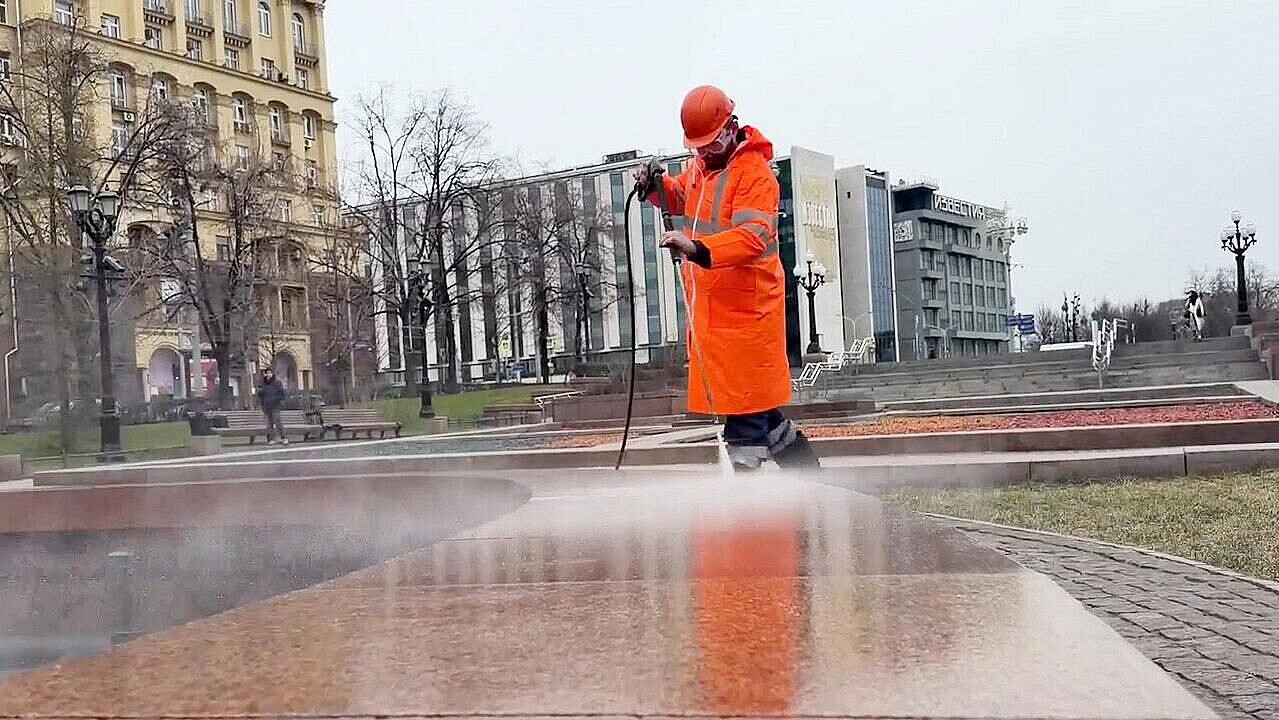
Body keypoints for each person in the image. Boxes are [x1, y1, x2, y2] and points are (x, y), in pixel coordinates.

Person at [634, 84, 820, 472]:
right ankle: (813, 485)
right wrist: (656, 186)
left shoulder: (755, 175)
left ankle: (745, 515)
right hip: (719, 321)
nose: (703, 152)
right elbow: (679, 197)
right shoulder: (700, 172)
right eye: (697, 147)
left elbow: (753, 236)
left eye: (710, 143)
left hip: (747, 320)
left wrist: (697, 249)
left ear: (731, 128)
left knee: (745, 428)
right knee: (766, 421)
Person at [256, 368, 288, 445]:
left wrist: (277, 401)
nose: (268, 375)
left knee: (278, 422)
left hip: (275, 406)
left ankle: (284, 438)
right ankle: (271, 439)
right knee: (269, 424)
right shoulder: (263, 384)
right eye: (267, 373)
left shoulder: (277, 383)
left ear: (272, 374)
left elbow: (282, 394)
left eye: (269, 373)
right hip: (266, 407)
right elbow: (260, 395)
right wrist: (260, 393)